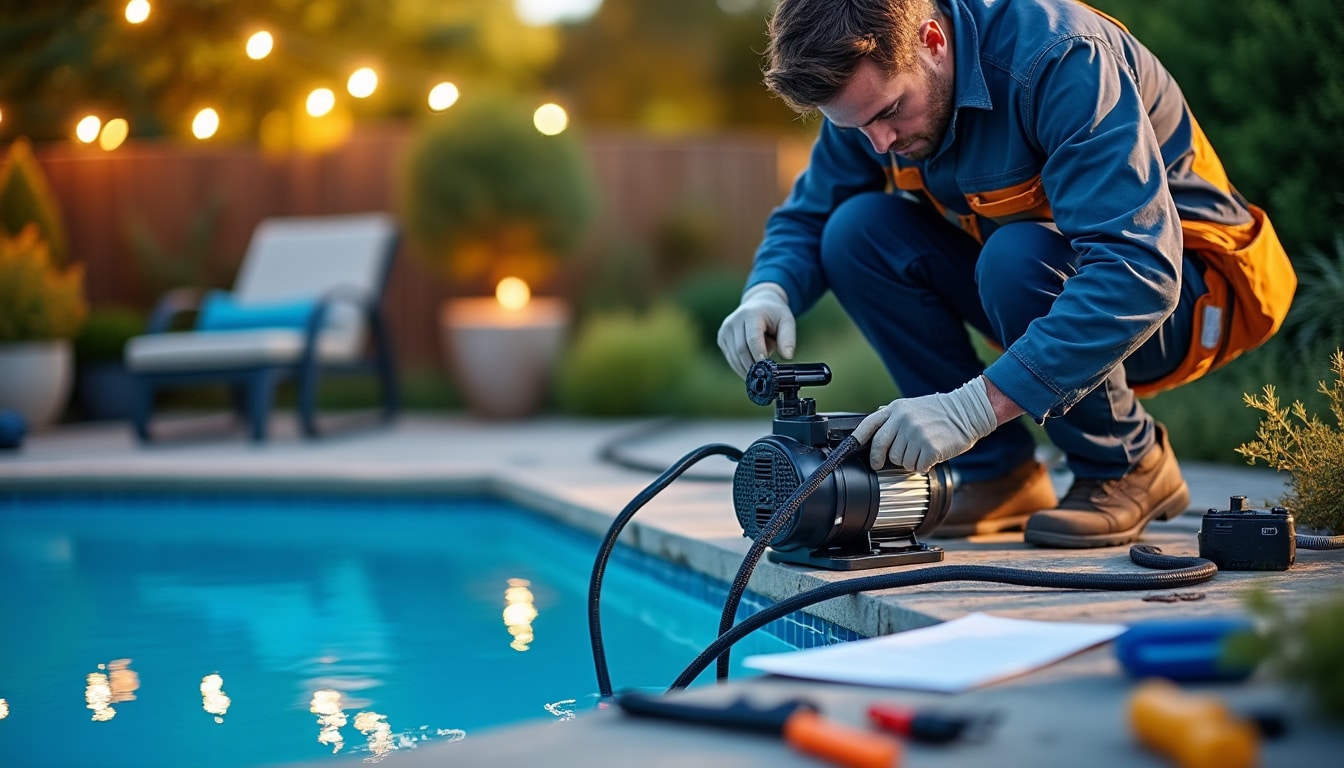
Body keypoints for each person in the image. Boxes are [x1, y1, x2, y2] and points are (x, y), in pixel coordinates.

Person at [718, 0, 1295, 548]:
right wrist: (769, 289)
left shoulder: (1062, 57)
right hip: (1041, 283)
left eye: (890, 112)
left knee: (1014, 256)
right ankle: (999, 476)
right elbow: (813, 213)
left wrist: (972, 409)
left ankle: (1126, 464)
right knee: (854, 233)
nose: (880, 143)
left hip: (1187, 297)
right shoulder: (872, 95)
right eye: (856, 127)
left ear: (933, 42)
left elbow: (1138, 267)